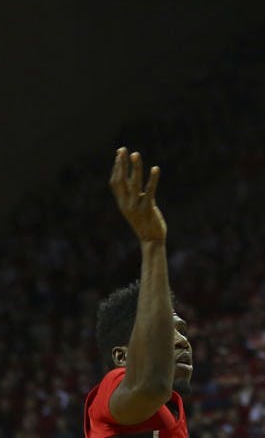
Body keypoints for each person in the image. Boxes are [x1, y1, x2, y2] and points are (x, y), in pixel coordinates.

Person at [84, 148, 194, 437]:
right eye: (166, 331)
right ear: (122, 357)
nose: (184, 341)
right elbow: (149, 385)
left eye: (182, 330)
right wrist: (152, 243)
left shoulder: (172, 413)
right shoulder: (112, 389)